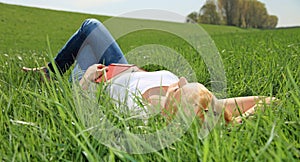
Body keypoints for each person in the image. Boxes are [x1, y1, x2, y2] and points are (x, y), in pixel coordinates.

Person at [23, 18, 276, 124]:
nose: (182, 79)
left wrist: (87, 80)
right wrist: (234, 122)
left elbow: (86, 111)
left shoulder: (142, 116)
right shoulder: (203, 105)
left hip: (94, 77)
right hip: (122, 66)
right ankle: (48, 72)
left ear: (170, 114)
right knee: (91, 26)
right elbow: (271, 101)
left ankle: (52, 74)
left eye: (179, 88)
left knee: (86, 39)